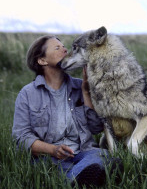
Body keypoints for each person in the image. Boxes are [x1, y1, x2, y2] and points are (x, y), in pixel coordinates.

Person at [12, 35, 122, 187]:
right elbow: (21, 137)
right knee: (45, 166)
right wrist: (53, 149)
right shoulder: (28, 94)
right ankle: (81, 177)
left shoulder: (79, 86)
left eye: (63, 46)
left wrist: (86, 91)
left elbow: (96, 128)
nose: (65, 49)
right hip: (49, 157)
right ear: (42, 60)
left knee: (102, 155)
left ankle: (75, 178)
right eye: (57, 48)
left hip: (83, 154)